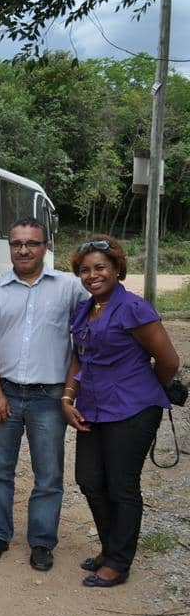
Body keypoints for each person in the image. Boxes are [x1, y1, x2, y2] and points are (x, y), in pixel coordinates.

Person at [0, 218, 85, 572]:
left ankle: (42, 542)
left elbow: (87, 338)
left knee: (48, 474)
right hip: (5, 391)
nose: (23, 250)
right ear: (10, 247)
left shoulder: (70, 288)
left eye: (31, 243)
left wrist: (69, 393)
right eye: (16, 243)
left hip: (49, 398)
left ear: (45, 246)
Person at [63, 236, 179, 587]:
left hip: (133, 410)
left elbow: (169, 362)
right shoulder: (84, 309)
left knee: (121, 485)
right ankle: (110, 546)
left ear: (116, 269)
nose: (92, 275)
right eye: (85, 270)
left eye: (100, 267)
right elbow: (80, 357)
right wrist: (68, 399)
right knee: (89, 479)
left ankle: (118, 560)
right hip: (93, 409)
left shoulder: (133, 308)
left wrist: (142, 388)